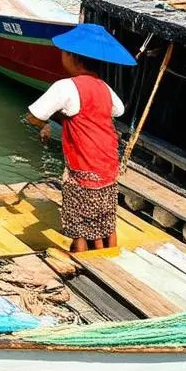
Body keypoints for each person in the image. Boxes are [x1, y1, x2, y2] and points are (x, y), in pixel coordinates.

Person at [26, 24, 136, 253]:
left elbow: (34, 116)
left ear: (74, 58)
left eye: (65, 53)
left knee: (80, 227)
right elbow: (118, 110)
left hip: (84, 165)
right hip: (107, 164)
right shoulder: (104, 87)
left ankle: (84, 263)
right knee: (105, 221)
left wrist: (49, 123)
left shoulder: (65, 87)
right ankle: (108, 257)